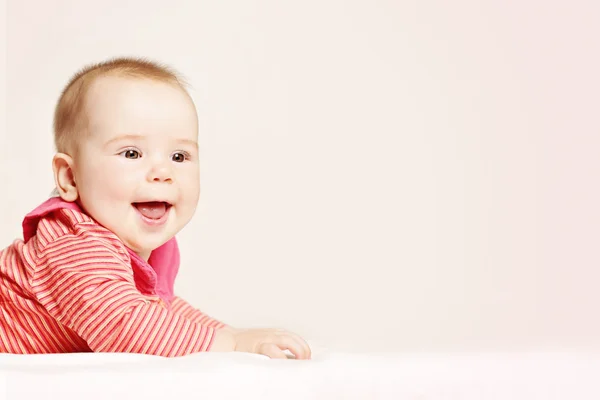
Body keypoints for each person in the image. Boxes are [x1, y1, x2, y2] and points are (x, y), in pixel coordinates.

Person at [0, 57, 311, 360]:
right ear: (70, 177)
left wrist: (236, 335)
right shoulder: (74, 246)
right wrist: (229, 344)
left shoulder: (138, 244)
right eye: (132, 153)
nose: (162, 172)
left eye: (179, 156)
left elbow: (160, 309)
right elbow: (125, 325)